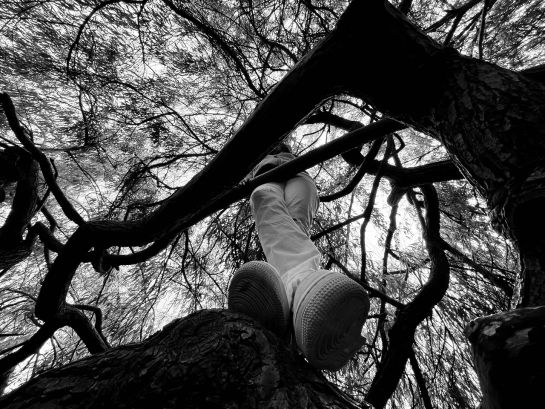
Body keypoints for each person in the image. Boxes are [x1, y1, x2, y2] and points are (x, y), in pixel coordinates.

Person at [228, 142, 370, 371]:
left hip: (299, 176)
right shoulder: (257, 159)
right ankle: (302, 289)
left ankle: (287, 303)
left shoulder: (289, 154)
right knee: (263, 198)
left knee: (295, 226)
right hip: (265, 177)